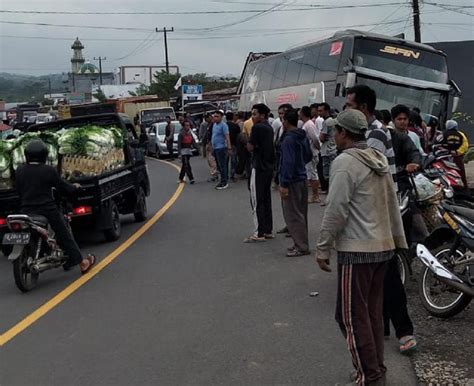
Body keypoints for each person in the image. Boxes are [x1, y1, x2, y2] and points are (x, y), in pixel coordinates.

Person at [315, 109, 407, 386]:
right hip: (383, 246)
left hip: (357, 251)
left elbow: (336, 209)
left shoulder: (345, 162)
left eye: (336, 131)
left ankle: (370, 375)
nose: (334, 135)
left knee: (351, 318)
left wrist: (323, 247)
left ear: (343, 133)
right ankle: (375, 368)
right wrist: (398, 240)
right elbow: (392, 202)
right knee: (372, 315)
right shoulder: (377, 158)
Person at [15, 140, 96, 274]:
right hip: (47, 210)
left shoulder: (20, 170)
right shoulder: (48, 170)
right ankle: (82, 263)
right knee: (64, 233)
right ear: (44, 155)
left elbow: (18, 190)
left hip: (26, 210)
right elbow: (62, 186)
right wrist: (74, 187)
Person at [346, 85, 397, 186]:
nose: (346, 110)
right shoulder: (364, 129)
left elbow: (365, 169)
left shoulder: (376, 132)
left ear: (363, 107)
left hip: (380, 195)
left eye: (350, 105)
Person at [279, 109, 313, 256]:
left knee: (293, 214)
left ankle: (301, 246)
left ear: (286, 121)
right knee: (301, 213)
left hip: (292, 181)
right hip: (302, 177)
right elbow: (308, 155)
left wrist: (284, 183)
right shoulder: (302, 136)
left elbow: (287, 162)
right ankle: (300, 243)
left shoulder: (288, 139)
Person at [244, 103, 276, 243]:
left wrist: (246, 140)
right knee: (266, 198)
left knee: (256, 200)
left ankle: (259, 232)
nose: (253, 117)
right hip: (269, 166)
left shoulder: (257, 128)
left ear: (262, 115)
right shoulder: (269, 127)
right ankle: (267, 229)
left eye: (254, 114)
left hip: (259, 166)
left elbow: (250, 147)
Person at [299, 106, 321, 203]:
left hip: (311, 152)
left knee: (312, 174)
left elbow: (315, 138)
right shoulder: (306, 124)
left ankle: (315, 196)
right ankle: (313, 195)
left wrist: (317, 148)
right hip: (308, 152)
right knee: (310, 174)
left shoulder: (309, 125)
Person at [443, 119, 469, 188]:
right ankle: (465, 187)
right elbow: (465, 145)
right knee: (461, 172)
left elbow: (439, 143)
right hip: (457, 156)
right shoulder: (460, 134)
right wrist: (457, 152)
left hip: (445, 157)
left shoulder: (443, 134)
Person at [272, 104, 293, 186]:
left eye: (283, 114)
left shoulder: (293, 131)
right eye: (279, 113)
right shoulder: (280, 127)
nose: (281, 116)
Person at [211, 110, 232, 190]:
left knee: (222, 165)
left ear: (222, 117)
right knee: (219, 166)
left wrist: (229, 148)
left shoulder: (224, 125)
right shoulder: (214, 125)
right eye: (214, 116)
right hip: (216, 148)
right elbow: (214, 136)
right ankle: (222, 180)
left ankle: (224, 182)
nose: (215, 118)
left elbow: (227, 137)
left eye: (217, 116)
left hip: (221, 148)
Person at [318, 103, 335, 193]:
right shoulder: (332, 120)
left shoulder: (326, 122)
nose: (319, 113)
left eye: (321, 111)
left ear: (326, 111)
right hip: (332, 149)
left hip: (328, 149)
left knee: (327, 173)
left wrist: (321, 136)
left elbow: (322, 137)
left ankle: (329, 192)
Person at [226, 111, 241, 182]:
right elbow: (239, 136)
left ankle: (225, 175)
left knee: (225, 161)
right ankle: (232, 174)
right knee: (233, 161)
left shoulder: (224, 125)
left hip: (225, 145)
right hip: (234, 145)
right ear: (233, 117)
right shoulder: (235, 126)